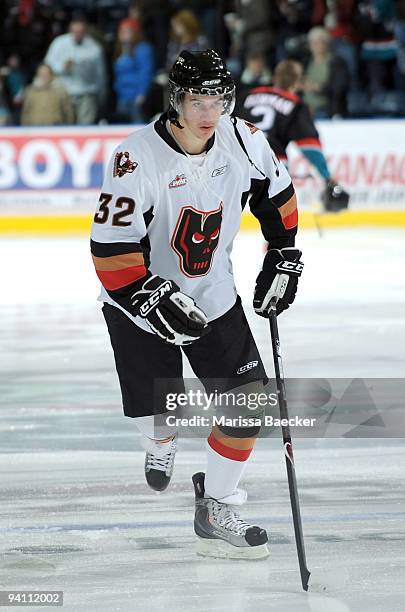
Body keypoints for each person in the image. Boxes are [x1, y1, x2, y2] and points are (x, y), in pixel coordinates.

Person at [90, 49, 303, 559]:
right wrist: (145, 296)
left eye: (218, 100)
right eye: (197, 100)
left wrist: (284, 254)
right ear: (175, 100)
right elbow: (110, 248)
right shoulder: (136, 157)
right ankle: (160, 441)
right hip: (137, 302)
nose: (209, 113)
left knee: (249, 402)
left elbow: (279, 197)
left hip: (213, 294)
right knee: (160, 415)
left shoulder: (246, 141)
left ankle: (217, 505)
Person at [235, 59, 349, 211]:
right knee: (276, 221)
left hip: (239, 161)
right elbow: (310, 147)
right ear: (297, 82)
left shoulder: (246, 96)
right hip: (272, 165)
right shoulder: (295, 105)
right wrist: (327, 176)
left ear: (274, 78)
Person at [44, 15, 106, 124]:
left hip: (86, 93)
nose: (77, 34)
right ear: (70, 30)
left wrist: (100, 94)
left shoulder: (94, 48)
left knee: (85, 127)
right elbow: (47, 65)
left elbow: (100, 74)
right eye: (75, 31)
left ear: (85, 31)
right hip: (62, 92)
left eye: (80, 31)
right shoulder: (59, 43)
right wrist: (62, 67)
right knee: (63, 125)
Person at [113, 17, 155, 124]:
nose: (123, 34)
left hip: (136, 96)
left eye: (127, 31)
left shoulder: (142, 49)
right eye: (121, 31)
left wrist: (142, 93)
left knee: (138, 125)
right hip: (122, 95)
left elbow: (145, 72)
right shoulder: (121, 49)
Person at [303, 26, 349, 118]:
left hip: (326, 109)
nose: (315, 45)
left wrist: (319, 88)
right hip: (305, 108)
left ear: (326, 44)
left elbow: (339, 88)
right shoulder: (306, 61)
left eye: (318, 42)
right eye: (313, 42)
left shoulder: (336, 62)